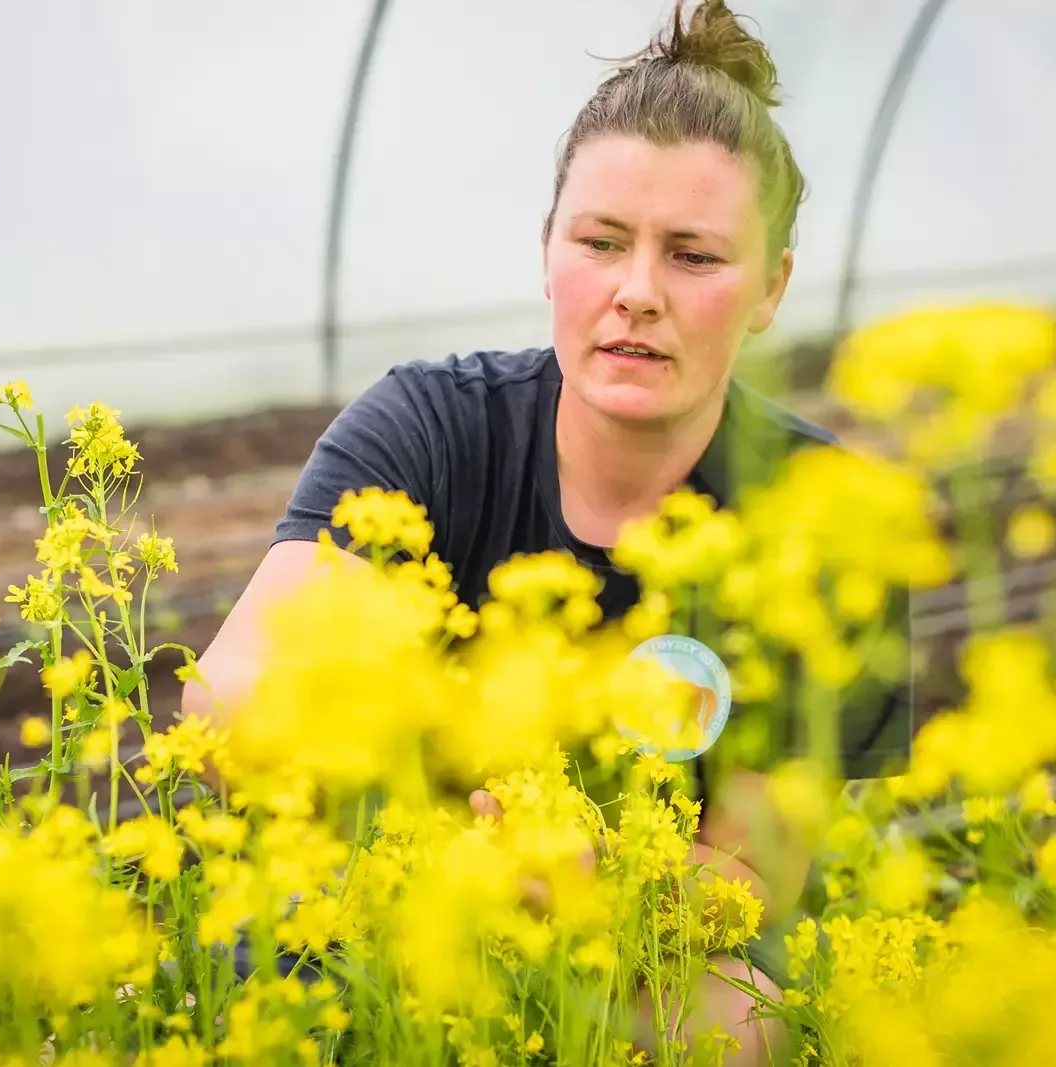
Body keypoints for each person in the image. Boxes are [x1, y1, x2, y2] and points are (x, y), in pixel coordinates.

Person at [183, 2, 911, 1062]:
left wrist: (588, 882)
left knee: (744, 1021)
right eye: (601, 242)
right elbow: (223, 701)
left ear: (771, 289)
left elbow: (755, 874)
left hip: (643, 942)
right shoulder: (427, 428)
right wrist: (439, 846)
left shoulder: (824, 513)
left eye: (694, 256)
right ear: (548, 252)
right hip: (399, 900)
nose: (636, 293)